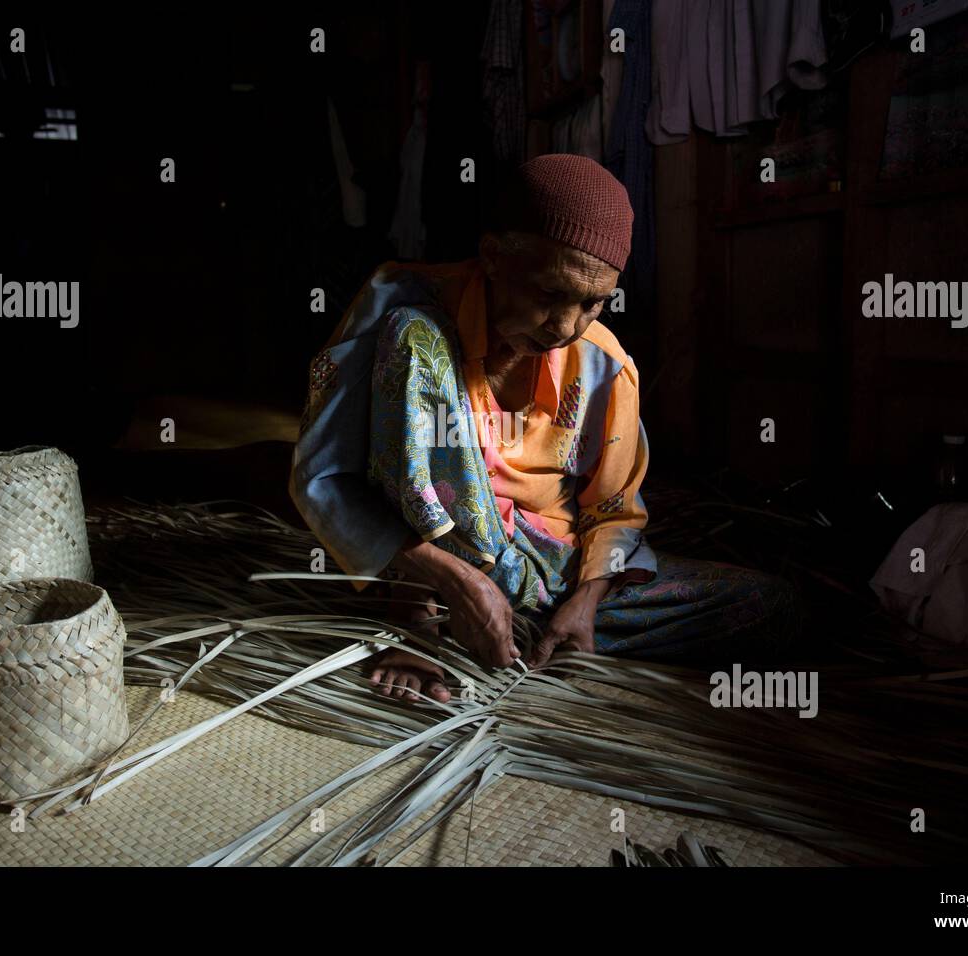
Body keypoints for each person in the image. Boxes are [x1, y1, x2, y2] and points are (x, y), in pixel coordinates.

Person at [290, 154, 801, 703]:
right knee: (414, 336)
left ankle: (527, 627)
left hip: (548, 570)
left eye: (591, 303)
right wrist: (446, 577)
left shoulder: (605, 363)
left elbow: (614, 510)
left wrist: (585, 599)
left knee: (773, 607)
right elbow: (322, 476)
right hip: (439, 556)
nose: (565, 327)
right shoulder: (403, 306)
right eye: (549, 294)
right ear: (493, 257)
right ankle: (422, 613)